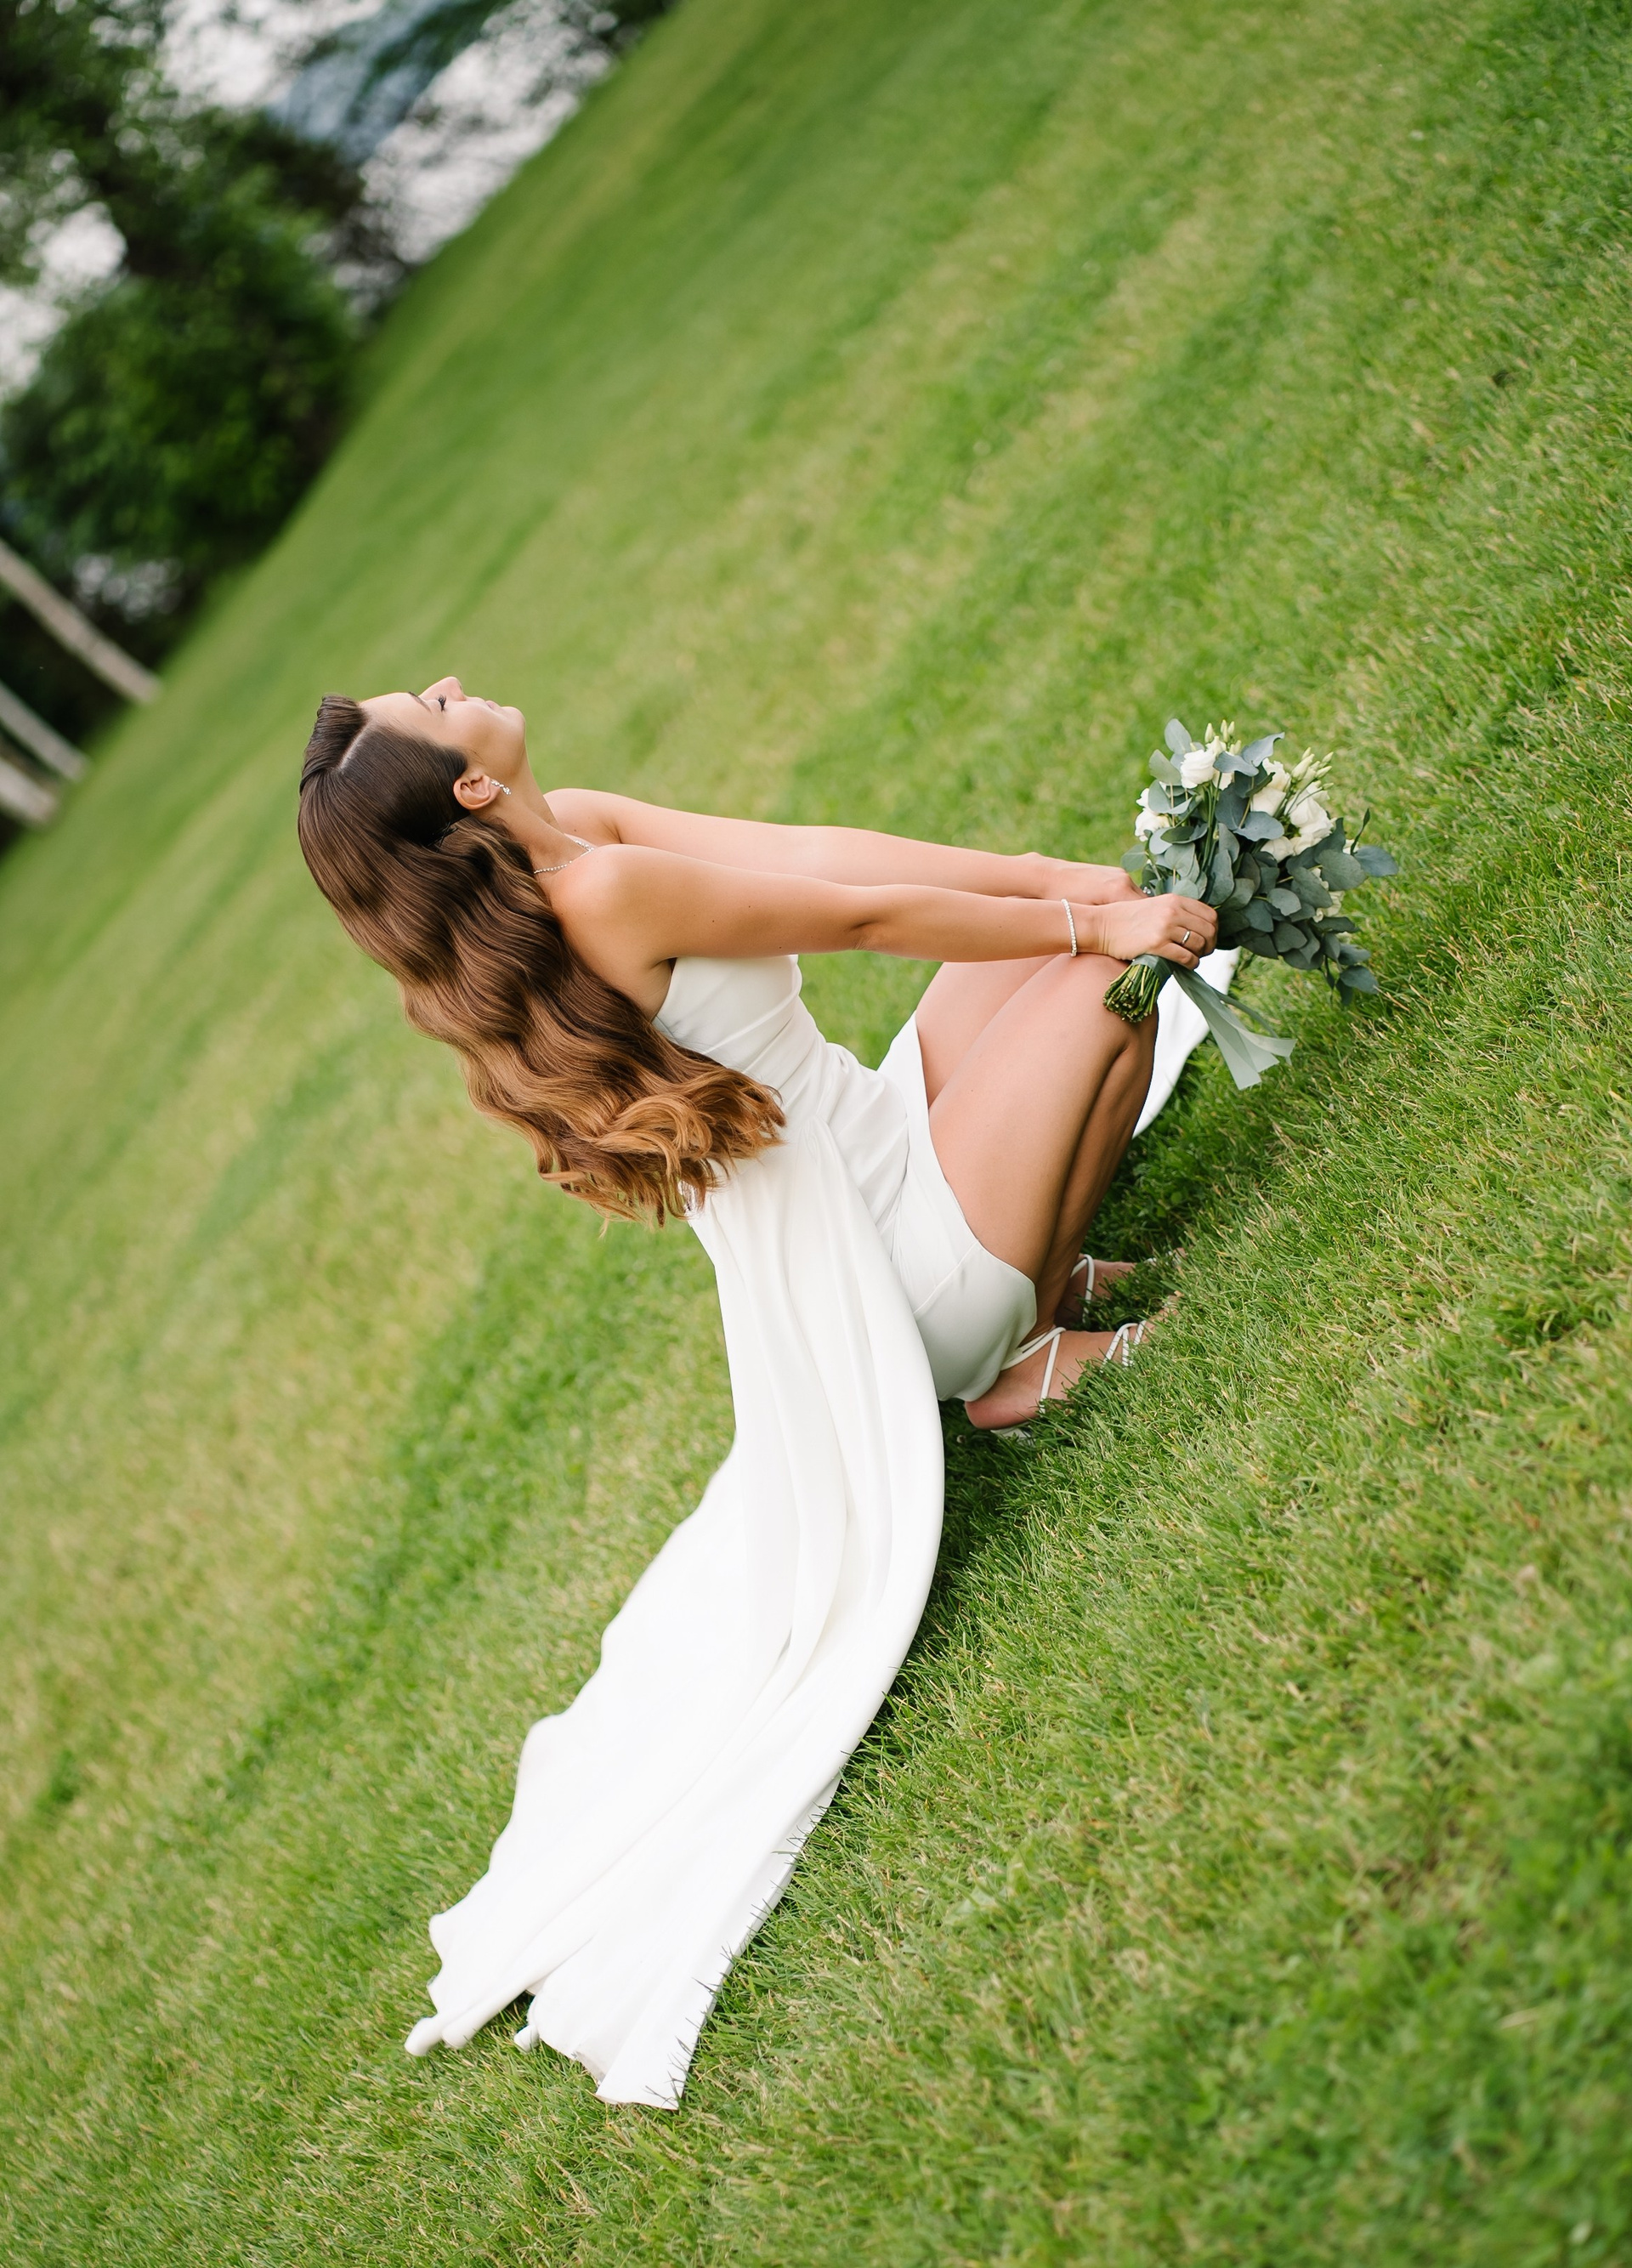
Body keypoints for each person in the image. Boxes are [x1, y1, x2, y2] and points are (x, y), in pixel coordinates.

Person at [297, 675, 1217, 2106]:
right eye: (434, 704)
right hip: (895, 1277)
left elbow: (814, 856)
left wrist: (1053, 879)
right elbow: (856, 920)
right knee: (1105, 986)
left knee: (1037, 950)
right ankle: (1015, 1344)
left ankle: (1036, 1271)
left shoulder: (578, 831)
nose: (453, 682)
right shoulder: (597, 894)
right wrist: (1091, 925)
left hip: (885, 1145)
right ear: (469, 788)